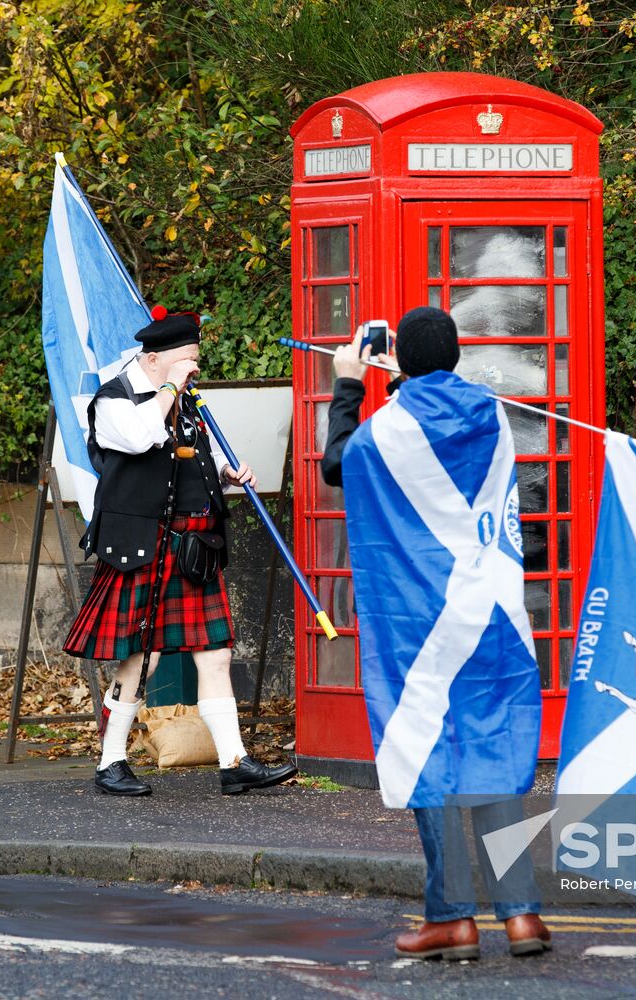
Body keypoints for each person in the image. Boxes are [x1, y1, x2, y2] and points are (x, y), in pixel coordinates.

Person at [323, 306, 552, 960]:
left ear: (401, 359)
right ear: (454, 356)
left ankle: (450, 919)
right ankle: (521, 916)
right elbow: (439, 422)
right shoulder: (490, 417)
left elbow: (337, 463)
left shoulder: (386, 429)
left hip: (423, 627)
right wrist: (413, 380)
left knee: (431, 755)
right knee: (493, 754)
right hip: (496, 616)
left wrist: (347, 383)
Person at [62, 306, 297, 797]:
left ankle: (234, 762)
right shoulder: (115, 402)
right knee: (140, 662)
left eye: (194, 360)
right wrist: (169, 389)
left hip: (193, 547)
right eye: (186, 360)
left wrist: (226, 478)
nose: (194, 368)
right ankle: (111, 761)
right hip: (141, 548)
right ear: (153, 360)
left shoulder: (184, 402)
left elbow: (190, 462)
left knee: (216, 654)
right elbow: (142, 437)